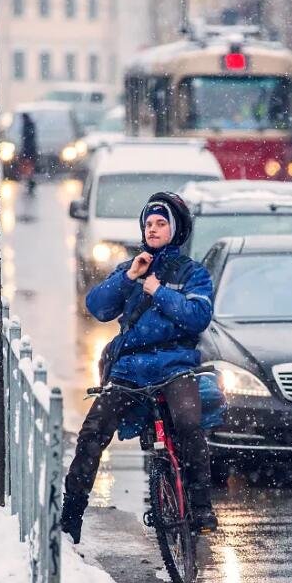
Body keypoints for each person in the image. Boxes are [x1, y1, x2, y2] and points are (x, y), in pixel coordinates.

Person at [61, 192, 217, 544]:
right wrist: (130, 276)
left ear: (175, 229)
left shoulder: (193, 274)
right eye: (148, 224)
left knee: (189, 424)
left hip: (176, 366)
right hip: (130, 369)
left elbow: (198, 317)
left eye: (161, 223)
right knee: (92, 432)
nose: (153, 229)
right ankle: (70, 518)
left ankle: (202, 507)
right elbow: (98, 307)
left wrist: (159, 290)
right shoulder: (131, 269)